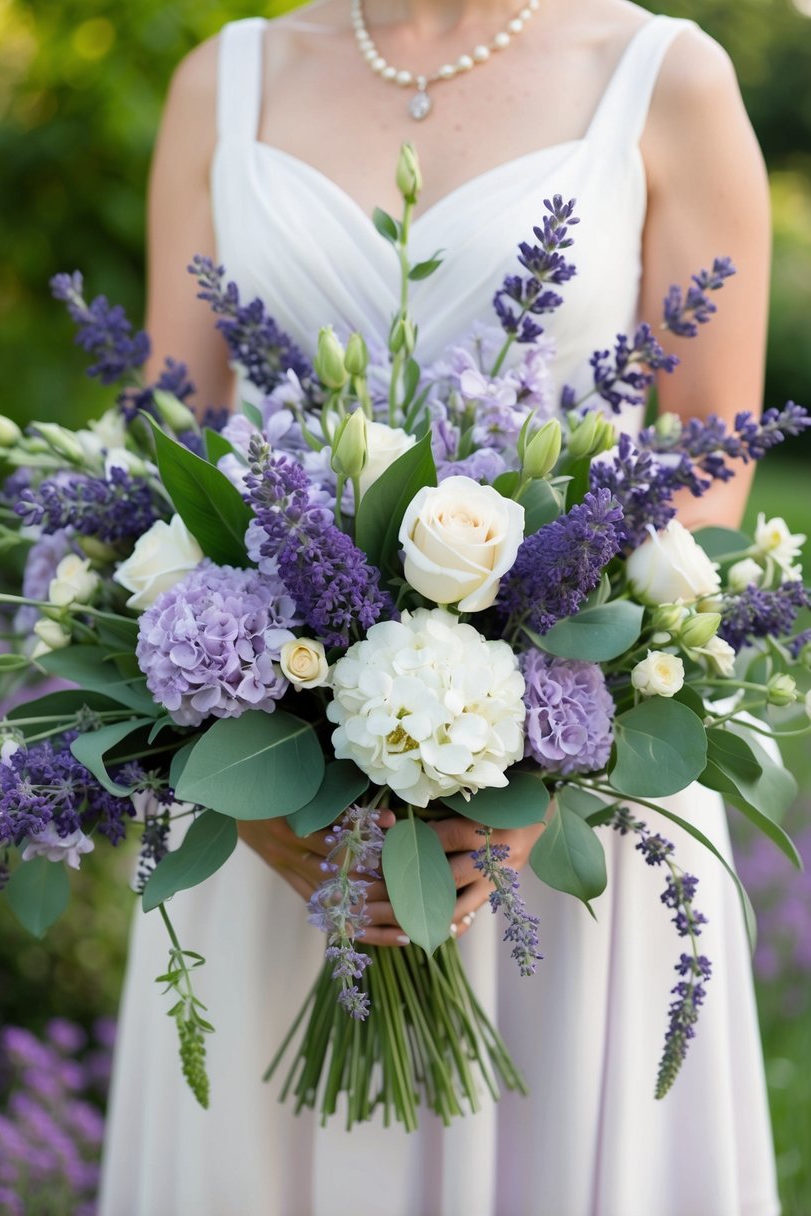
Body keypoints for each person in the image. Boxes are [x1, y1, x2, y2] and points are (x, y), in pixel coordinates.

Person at [99, 1, 779, 1213]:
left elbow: (709, 473)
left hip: (574, 811)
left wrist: (546, 774)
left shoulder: (664, 74)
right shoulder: (227, 79)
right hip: (275, 821)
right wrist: (245, 791)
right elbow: (170, 451)